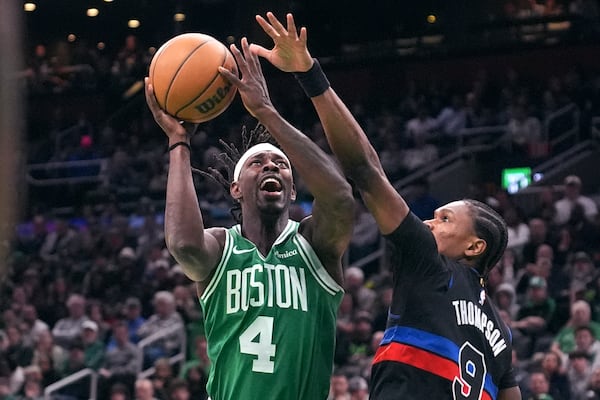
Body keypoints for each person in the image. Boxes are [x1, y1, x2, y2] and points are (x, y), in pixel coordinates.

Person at [250, 11, 521, 399]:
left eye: (444, 218)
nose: (428, 223)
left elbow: (364, 169)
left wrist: (309, 75)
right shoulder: (502, 338)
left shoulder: (432, 263)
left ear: (474, 246)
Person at [144, 30, 354, 400]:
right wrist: (179, 141)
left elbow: (339, 197)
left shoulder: (314, 243)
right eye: (258, 162)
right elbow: (182, 244)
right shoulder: (222, 247)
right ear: (236, 188)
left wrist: (266, 112)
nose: (271, 165)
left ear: (292, 190)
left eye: (282, 165)